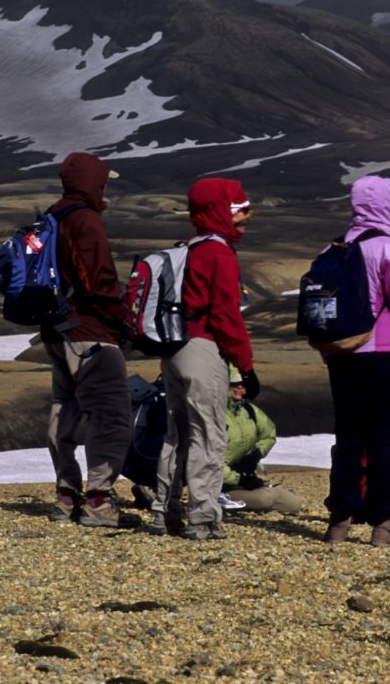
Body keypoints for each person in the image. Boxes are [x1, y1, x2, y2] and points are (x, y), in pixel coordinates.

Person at [321, 175, 390, 547]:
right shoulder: (388, 249)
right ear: (387, 205)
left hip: (342, 356)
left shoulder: (332, 248)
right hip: (384, 354)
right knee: (384, 440)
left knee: (348, 438)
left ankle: (339, 520)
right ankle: (382, 522)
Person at [149, 177, 260, 540]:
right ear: (222, 212)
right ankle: (204, 518)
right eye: (241, 211)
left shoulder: (188, 248)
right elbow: (226, 315)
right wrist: (244, 366)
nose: (247, 218)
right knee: (208, 435)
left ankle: (163, 512)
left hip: (173, 350)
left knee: (176, 434)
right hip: (202, 350)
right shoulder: (219, 253)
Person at [43, 151, 139, 529]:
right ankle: (99, 501)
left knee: (63, 411)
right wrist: (122, 321)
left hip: (56, 332)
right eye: (103, 182)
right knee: (111, 415)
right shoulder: (86, 221)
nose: (105, 188)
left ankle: (67, 496)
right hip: (91, 335)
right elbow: (97, 282)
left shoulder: (51, 217)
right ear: (91, 182)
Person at [221, 366, 302, 513]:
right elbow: (210, 464)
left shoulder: (249, 410)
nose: (240, 388)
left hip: (246, 478)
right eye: (234, 385)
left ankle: (254, 496)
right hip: (222, 482)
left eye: (242, 385)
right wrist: (239, 479)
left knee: (293, 504)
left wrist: (257, 452)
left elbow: (269, 433)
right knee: (264, 500)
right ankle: (218, 500)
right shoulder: (215, 414)